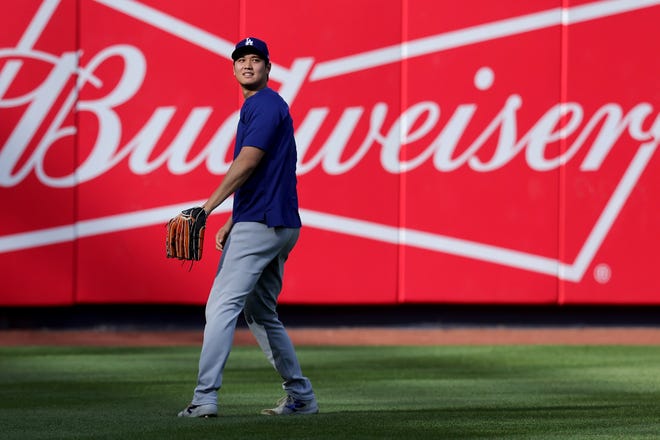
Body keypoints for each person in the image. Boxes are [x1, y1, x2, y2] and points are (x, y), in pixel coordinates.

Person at [177, 37, 317, 418]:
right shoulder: (263, 106)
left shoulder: (265, 104)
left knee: (221, 306)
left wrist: (206, 209)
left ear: (268, 69)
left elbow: (249, 162)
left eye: (256, 59)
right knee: (260, 312)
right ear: (234, 68)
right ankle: (301, 396)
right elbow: (264, 174)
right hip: (276, 222)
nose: (248, 65)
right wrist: (233, 218)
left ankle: (204, 397)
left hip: (263, 225)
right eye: (242, 60)